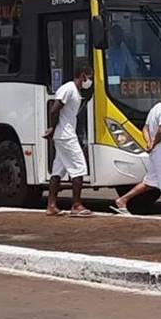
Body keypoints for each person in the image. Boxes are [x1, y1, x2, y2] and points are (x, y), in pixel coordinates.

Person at [112, 83, 161, 217]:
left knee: (150, 182)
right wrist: (154, 143)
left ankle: (122, 200)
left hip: (156, 152)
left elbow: (145, 128)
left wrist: (149, 143)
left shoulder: (154, 109)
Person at [43, 68, 94, 217]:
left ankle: (51, 205)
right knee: (79, 167)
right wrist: (52, 127)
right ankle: (76, 205)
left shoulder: (75, 90)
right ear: (83, 75)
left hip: (64, 134)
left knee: (58, 170)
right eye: (89, 77)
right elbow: (54, 109)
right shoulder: (68, 89)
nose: (90, 81)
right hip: (66, 135)